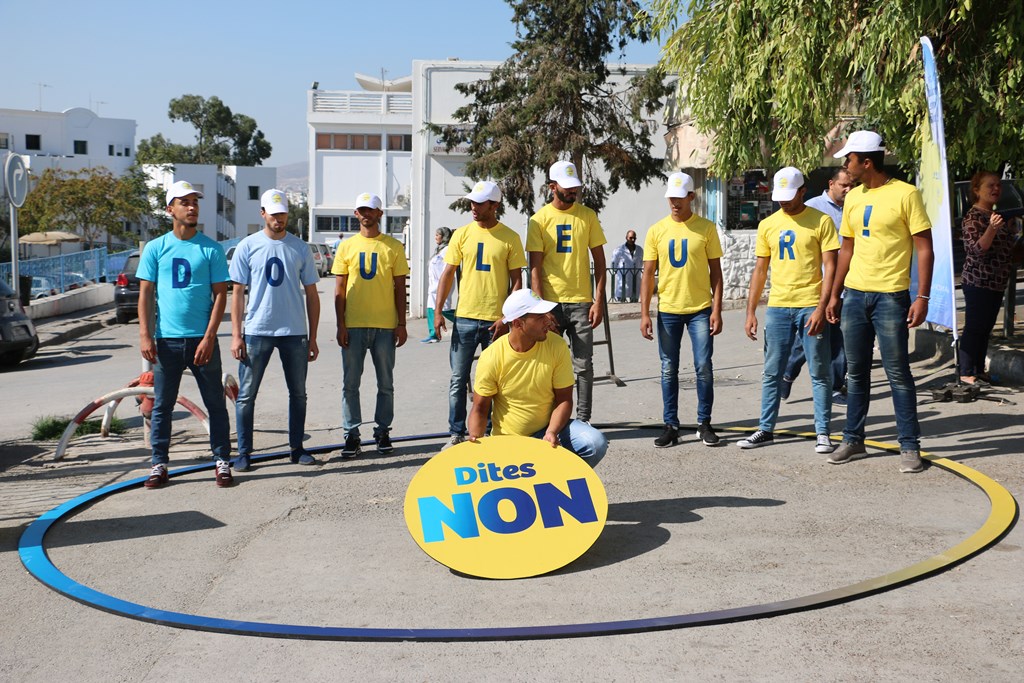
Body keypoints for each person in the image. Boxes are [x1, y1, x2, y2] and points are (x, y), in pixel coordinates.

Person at [826, 130, 934, 474]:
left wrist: (922, 296)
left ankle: (909, 446)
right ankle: (853, 439)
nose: (846, 164)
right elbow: (846, 248)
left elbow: (924, 247)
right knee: (856, 374)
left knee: (898, 373)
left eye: (850, 159)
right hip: (855, 296)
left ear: (867, 161)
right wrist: (834, 294)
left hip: (891, 297)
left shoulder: (906, 194)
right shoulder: (854, 198)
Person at [137, 180, 233, 488]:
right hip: (167, 341)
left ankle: (221, 461)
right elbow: (146, 294)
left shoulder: (210, 248)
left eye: (195, 201)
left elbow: (221, 295)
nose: (192, 207)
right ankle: (159, 464)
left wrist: (209, 336)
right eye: (184, 202)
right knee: (163, 405)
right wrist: (145, 335)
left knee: (215, 403)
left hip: (202, 340)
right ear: (170, 210)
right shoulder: (156, 248)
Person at [740, 167, 839, 454]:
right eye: (780, 196)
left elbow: (830, 266)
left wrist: (822, 306)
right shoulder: (768, 224)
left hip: (810, 304)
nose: (783, 201)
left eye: (790, 196)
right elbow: (760, 270)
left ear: (803, 191)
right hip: (779, 307)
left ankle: (823, 432)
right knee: (772, 371)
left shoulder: (820, 221)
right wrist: (750, 312)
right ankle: (766, 428)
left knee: (820, 371)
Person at [229, 189, 321, 472]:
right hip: (258, 329)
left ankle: (297, 448)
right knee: (246, 394)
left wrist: (313, 336)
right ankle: (244, 452)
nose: (278, 219)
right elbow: (237, 293)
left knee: (298, 393)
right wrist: (236, 334)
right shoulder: (248, 246)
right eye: (273, 213)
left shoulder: (300, 248)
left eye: (282, 214)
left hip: (294, 331)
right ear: (263, 214)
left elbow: (312, 294)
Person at [468, 289, 608, 466]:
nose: (548, 320)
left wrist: (551, 432)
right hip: (509, 442)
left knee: (595, 443)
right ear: (519, 323)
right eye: (540, 317)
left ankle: (558, 480)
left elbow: (564, 400)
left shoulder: (557, 345)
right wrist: (476, 445)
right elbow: (480, 408)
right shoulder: (492, 357)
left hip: (548, 431)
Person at [434, 181, 526, 448]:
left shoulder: (509, 237)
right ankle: (456, 432)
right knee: (457, 378)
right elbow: (448, 274)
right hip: (464, 318)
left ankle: (487, 432)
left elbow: (516, 282)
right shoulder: (461, 234)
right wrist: (438, 312)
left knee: (494, 380)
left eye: (479, 203)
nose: (473, 207)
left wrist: (507, 317)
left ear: (494, 206)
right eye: (472, 202)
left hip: (495, 321)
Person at [640, 172, 724, 447]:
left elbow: (716, 273)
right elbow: (648, 274)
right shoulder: (656, 230)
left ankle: (704, 423)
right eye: (671, 197)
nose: (675, 202)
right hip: (668, 310)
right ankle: (671, 425)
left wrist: (716, 309)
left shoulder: (707, 228)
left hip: (700, 308)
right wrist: (644, 314)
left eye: (680, 197)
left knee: (703, 366)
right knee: (668, 368)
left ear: (691, 196)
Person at [527, 161, 607, 424]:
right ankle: (550, 423)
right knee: (549, 366)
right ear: (552, 187)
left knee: (584, 366)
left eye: (575, 188)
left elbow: (600, 262)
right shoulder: (538, 220)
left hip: (581, 302)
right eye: (567, 187)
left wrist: (598, 301)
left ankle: (584, 421)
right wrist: (542, 308)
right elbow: (535, 269)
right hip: (551, 305)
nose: (573, 192)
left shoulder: (587, 216)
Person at [332, 192, 409, 458]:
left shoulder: (393, 247)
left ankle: (382, 431)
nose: (366, 214)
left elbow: (400, 288)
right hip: (353, 325)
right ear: (356, 214)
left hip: (385, 326)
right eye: (361, 210)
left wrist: (402, 323)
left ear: (380, 214)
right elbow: (339, 287)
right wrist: (341, 324)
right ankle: (351, 434)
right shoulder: (346, 247)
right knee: (350, 384)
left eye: (371, 210)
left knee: (385, 383)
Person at [781, 168, 854, 403]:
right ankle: (788, 372)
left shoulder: (854, 207)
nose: (848, 189)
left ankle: (835, 386)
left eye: (851, 185)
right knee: (810, 335)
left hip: (848, 284)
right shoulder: (812, 208)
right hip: (818, 286)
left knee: (839, 338)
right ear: (831, 184)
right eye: (843, 185)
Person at [959, 171, 1022, 384]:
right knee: (975, 326)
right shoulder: (973, 217)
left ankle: (978, 370)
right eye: (990, 186)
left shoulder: (998, 217)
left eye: (998, 185)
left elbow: (1006, 251)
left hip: (997, 282)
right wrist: (992, 229)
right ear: (977, 190)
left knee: (985, 328)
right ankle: (965, 371)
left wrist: (1014, 234)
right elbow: (977, 251)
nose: (996, 189)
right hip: (978, 281)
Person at [421, 226, 456, 344]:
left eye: (438, 235)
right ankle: (434, 334)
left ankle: (463, 321)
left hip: (443, 284)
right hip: (433, 285)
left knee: (444, 309)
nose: (435, 237)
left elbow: (448, 269)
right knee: (431, 308)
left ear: (444, 236)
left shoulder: (448, 250)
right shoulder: (439, 250)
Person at [611, 230, 644, 302]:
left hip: (635, 277)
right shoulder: (619, 250)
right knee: (621, 300)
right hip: (623, 278)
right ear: (626, 238)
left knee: (634, 300)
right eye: (631, 238)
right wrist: (618, 272)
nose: (632, 240)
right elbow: (614, 263)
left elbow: (642, 263)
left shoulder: (640, 250)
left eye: (634, 238)